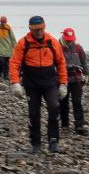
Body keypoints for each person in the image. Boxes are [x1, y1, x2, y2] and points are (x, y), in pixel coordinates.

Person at [7, 16, 69, 154]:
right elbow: (14, 63)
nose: (39, 32)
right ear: (30, 29)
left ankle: (53, 140)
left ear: (44, 27)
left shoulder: (52, 42)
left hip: (50, 82)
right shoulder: (23, 43)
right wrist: (15, 82)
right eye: (36, 30)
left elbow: (61, 62)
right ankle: (35, 143)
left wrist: (63, 83)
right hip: (31, 83)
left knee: (54, 108)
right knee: (34, 113)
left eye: (41, 29)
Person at [56, 28, 89, 134]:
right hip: (62, 80)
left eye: (71, 39)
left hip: (77, 80)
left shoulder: (78, 48)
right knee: (63, 102)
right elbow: (55, 64)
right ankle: (65, 124)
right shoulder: (58, 47)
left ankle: (79, 124)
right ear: (63, 37)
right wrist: (68, 67)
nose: (69, 41)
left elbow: (84, 62)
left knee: (77, 102)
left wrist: (87, 75)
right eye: (67, 39)